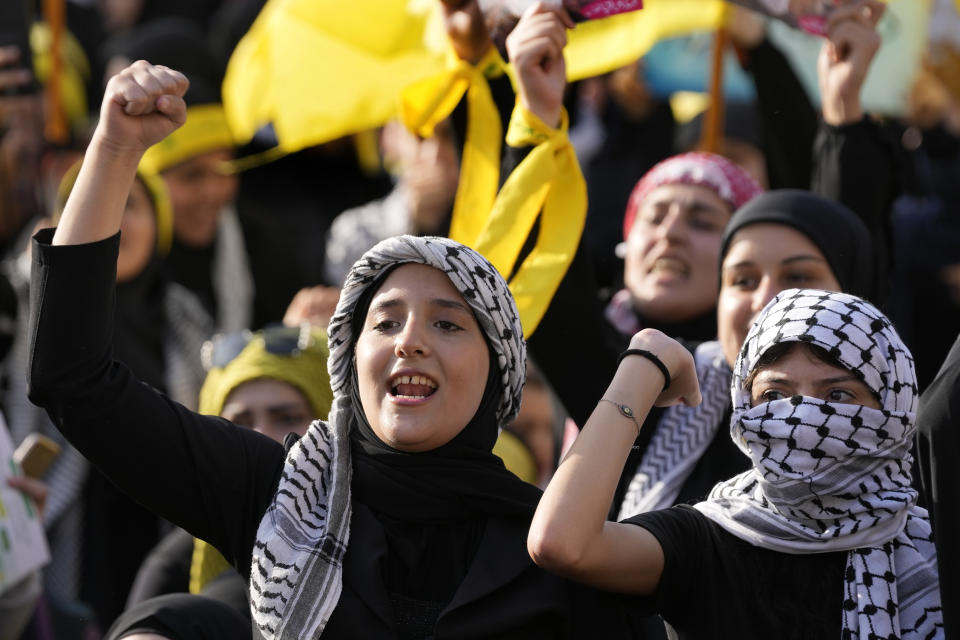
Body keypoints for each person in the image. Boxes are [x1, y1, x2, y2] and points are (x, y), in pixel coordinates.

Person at [28, 48, 637, 640]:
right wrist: (111, 151)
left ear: (499, 369)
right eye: (386, 322)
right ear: (347, 362)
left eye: (447, 324)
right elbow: (75, 382)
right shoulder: (280, 496)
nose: (410, 343)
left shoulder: (557, 548)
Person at [529, 288, 943, 638]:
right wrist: (646, 359)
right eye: (774, 397)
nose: (801, 416)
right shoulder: (709, 541)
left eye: (837, 397)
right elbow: (563, 544)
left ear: (894, 410)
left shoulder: (936, 543)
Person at [616, 189, 876, 517]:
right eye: (743, 280)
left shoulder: (894, 436)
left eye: (797, 277)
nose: (765, 300)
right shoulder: (663, 396)